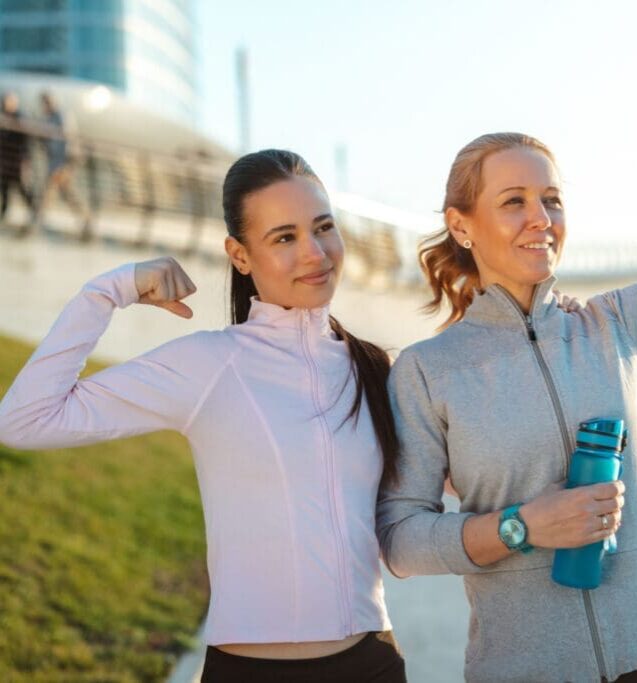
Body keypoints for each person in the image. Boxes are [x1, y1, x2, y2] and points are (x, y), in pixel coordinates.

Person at [376, 43, 637, 683]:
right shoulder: (427, 371)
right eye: (514, 200)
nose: (540, 219)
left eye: (551, 199)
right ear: (461, 226)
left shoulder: (617, 323)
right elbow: (402, 539)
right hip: (522, 668)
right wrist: (521, 527)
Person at [0, 149, 407, 682]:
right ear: (239, 256)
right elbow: (24, 419)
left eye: (323, 227)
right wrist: (109, 290)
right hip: (249, 672)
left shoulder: (378, 369)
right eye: (284, 237)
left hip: (372, 664)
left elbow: (457, 483)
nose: (314, 252)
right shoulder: (209, 364)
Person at [31, 91, 92, 240]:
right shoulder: (49, 118)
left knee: (48, 192)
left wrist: (65, 164)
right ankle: (86, 223)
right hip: (56, 163)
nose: (44, 105)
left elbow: (69, 140)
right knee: (67, 194)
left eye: (45, 102)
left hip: (62, 163)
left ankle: (35, 224)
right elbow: (47, 141)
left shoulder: (62, 116)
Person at [0, 91, 34, 228]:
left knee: (22, 189)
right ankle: (3, 214)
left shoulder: (20, 118)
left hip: (16, 161)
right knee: (4, 189)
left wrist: (25, 162)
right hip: (5, 161)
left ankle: (34, 213)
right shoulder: (3, 116)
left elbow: (26, 143)